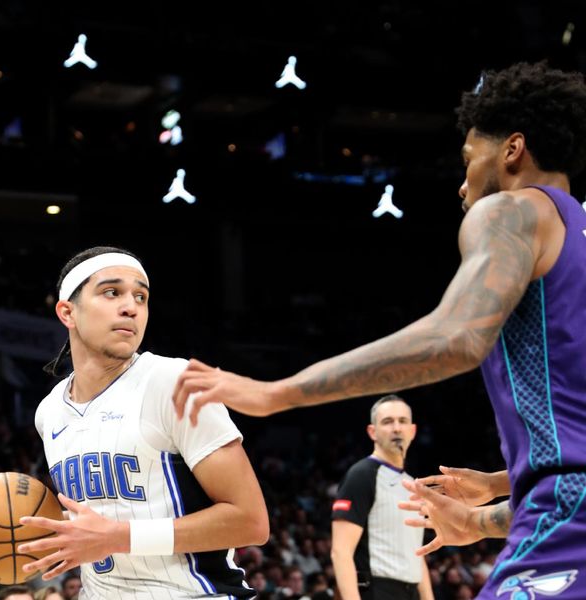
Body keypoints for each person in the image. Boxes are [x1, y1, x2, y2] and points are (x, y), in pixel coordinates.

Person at [172, 61, 586, 599]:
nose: (462, 186)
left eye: (468, 161)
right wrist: (486, 508)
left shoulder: (512, 211)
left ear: (512, 150)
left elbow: (456, 338)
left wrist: (278, 393)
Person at [0, 246, 269, 599]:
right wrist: (7, 527)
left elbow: (251, 522)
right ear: (67, 312)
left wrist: (119, 537)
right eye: (111, 292)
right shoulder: (50, 411)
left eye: (141, 297)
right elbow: (101, 519)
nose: (131, 307)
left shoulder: (174, 381)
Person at [330, 396, 432, 600]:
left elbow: (416, 554)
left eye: (402, 421)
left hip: (411, 591)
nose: (396, 428)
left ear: (412, 431)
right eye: (388, 421)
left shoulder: (413, 484)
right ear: (372, 432)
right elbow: (340, 552)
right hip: (376, 590)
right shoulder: (361, 475)